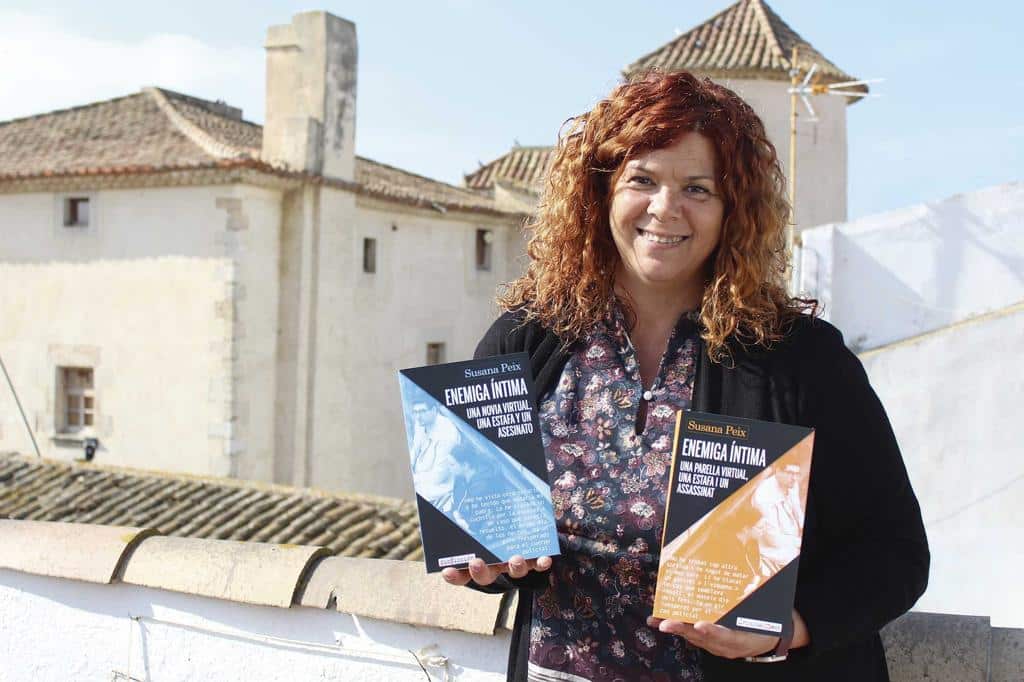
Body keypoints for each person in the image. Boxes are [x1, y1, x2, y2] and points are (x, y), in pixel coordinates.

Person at [442, 70, 929, 681]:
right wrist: (483, 563)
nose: (665, 208)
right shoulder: (528, 338)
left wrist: (785, 630)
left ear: (735, 211)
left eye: (698, 188)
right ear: (601, 193)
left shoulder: (799, 360)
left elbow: (895, 554)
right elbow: (493, 544)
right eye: (642, 180)